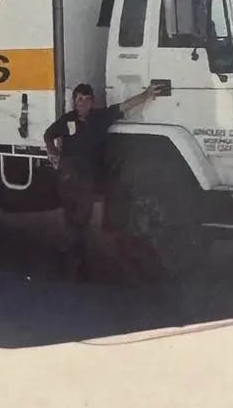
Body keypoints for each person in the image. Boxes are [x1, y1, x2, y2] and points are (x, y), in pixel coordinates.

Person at [43, 81, 163, 280]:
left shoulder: (100, 118)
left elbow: (125, 106)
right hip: (67, 177)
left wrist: (147, 94)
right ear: (73, 102)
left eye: (85, 99)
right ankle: (71, 263)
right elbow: (48, 135)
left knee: (81, 220)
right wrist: (53, 154)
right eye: (78, 99)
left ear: (92, 102)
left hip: (87, 178)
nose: (81, 103)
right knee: (71, 221)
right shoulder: (67, 120)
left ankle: (77, 264)